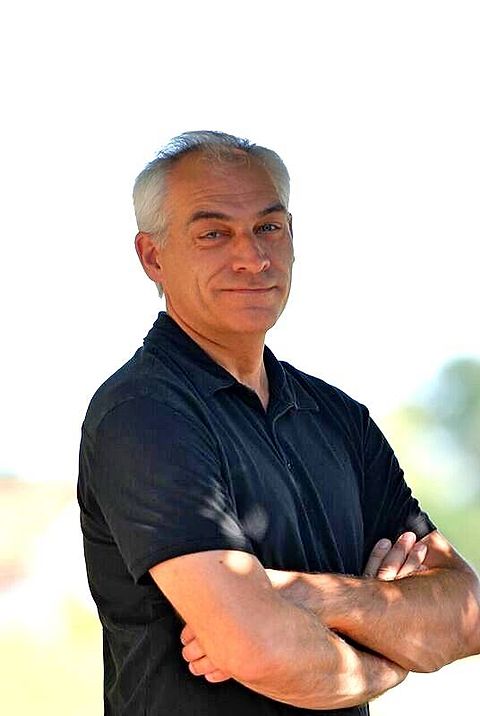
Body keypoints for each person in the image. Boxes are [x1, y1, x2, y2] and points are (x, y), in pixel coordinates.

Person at [78, 131, 480, 715]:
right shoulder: (145, 415)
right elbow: (260, 649)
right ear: (152, 257)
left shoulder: (339, 419)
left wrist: (308, 598)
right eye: (214, 234)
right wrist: (395, 651)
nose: (252, 257)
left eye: (268, 227)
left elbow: (465, 613)